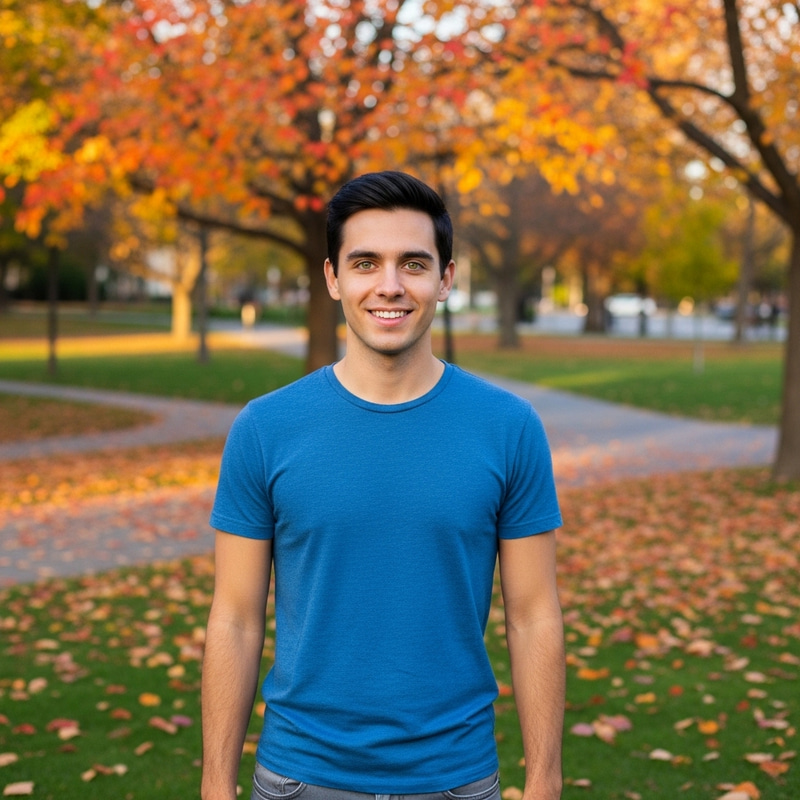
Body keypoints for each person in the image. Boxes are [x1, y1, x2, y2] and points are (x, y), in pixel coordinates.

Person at [201, 171, 565, 800]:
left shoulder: (509, 428)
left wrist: (545, 783)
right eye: (366, 262)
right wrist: (214, 785)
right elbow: (234, 618)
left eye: (414, 264)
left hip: (457, 779)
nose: (390, 286)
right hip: (298, 777)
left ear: (446, 279)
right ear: (334, 277)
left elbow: (534, 616)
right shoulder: (265, 428)